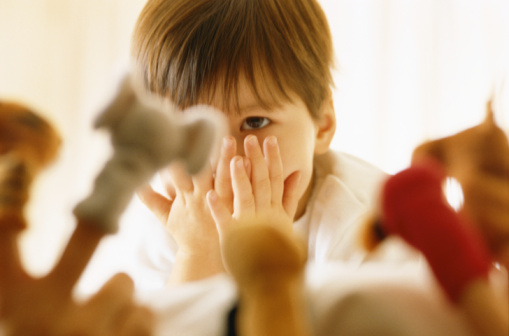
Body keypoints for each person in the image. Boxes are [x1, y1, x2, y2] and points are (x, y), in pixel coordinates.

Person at [132, 0, 407, 286]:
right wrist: (199, 253)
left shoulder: (370, 225)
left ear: (322, 125)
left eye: (255, 122)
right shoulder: (174, 229)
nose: (223, 160)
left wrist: (268, 260)